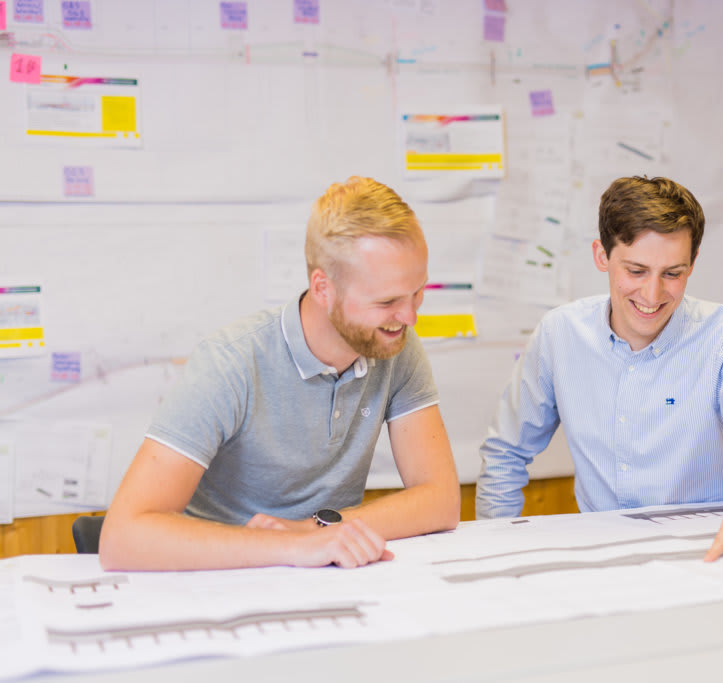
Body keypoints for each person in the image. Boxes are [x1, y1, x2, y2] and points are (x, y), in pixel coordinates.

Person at [100, 177, 461, 571]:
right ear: (323, 288)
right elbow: (122, 538)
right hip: (222, 580)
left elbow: (440, 500)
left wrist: (313, 531)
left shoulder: (394, 345)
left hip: (327, 577)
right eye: (387, 301)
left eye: (417, 293)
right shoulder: (230, 363)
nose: (409, 317)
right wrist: (294, 546)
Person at [476, 176, 723, 562]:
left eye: (673, 273)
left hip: (712, 555)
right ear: (602, 256)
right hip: (603, 561)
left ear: (692, 263)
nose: (652, 295)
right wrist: (494, 550)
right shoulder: (559, 335)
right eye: (636, 271)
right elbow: (505, 452)